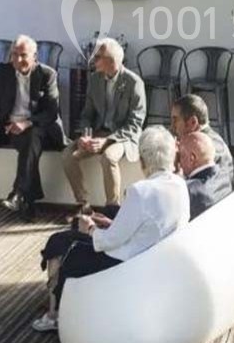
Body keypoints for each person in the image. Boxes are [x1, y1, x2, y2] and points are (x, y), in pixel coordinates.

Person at [32, 126, 189, 332]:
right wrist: (110, 223)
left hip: (125, 263)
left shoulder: (140, 191)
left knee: (69, 249)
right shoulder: (179, 185)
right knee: (66, 239)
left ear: (143, 160)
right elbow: (148, 226)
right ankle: (57, 306)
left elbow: (110, 242)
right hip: (152, 258)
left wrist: (90, 228)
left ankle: (56, 314)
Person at [0, 35, 65, 221]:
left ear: (35, 56)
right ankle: (26, 201)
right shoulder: (3, 71)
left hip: (40, 127)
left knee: (31, 138)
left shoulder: (47, 74)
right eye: (14, 55)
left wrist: (27, 123)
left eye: (23, 55)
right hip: (10, 127)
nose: (18, 60)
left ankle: (18, 192)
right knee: (27, 143)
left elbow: (51, 112)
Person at [64, 37, 146, 209]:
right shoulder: (95, 79)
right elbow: (87, 114)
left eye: (97, 57)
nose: (93, 60)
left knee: (108, 157)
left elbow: (135, 123)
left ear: (111, 60)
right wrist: (86, 135)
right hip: (99, 132)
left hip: (122, 137)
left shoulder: (134, 82)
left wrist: (107, 141)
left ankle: (112, 208)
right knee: (68, 155)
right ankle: (83, 205)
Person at [170, 94, 234, 185]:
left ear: (193, 122)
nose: (172, 126)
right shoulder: (210, 140)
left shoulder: (205, 148)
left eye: (175, 120)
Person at [178, 130, 231, 219]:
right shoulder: (225, 175)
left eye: (180, 156)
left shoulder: (189, 191)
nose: (179, 162)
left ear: (192, 158)